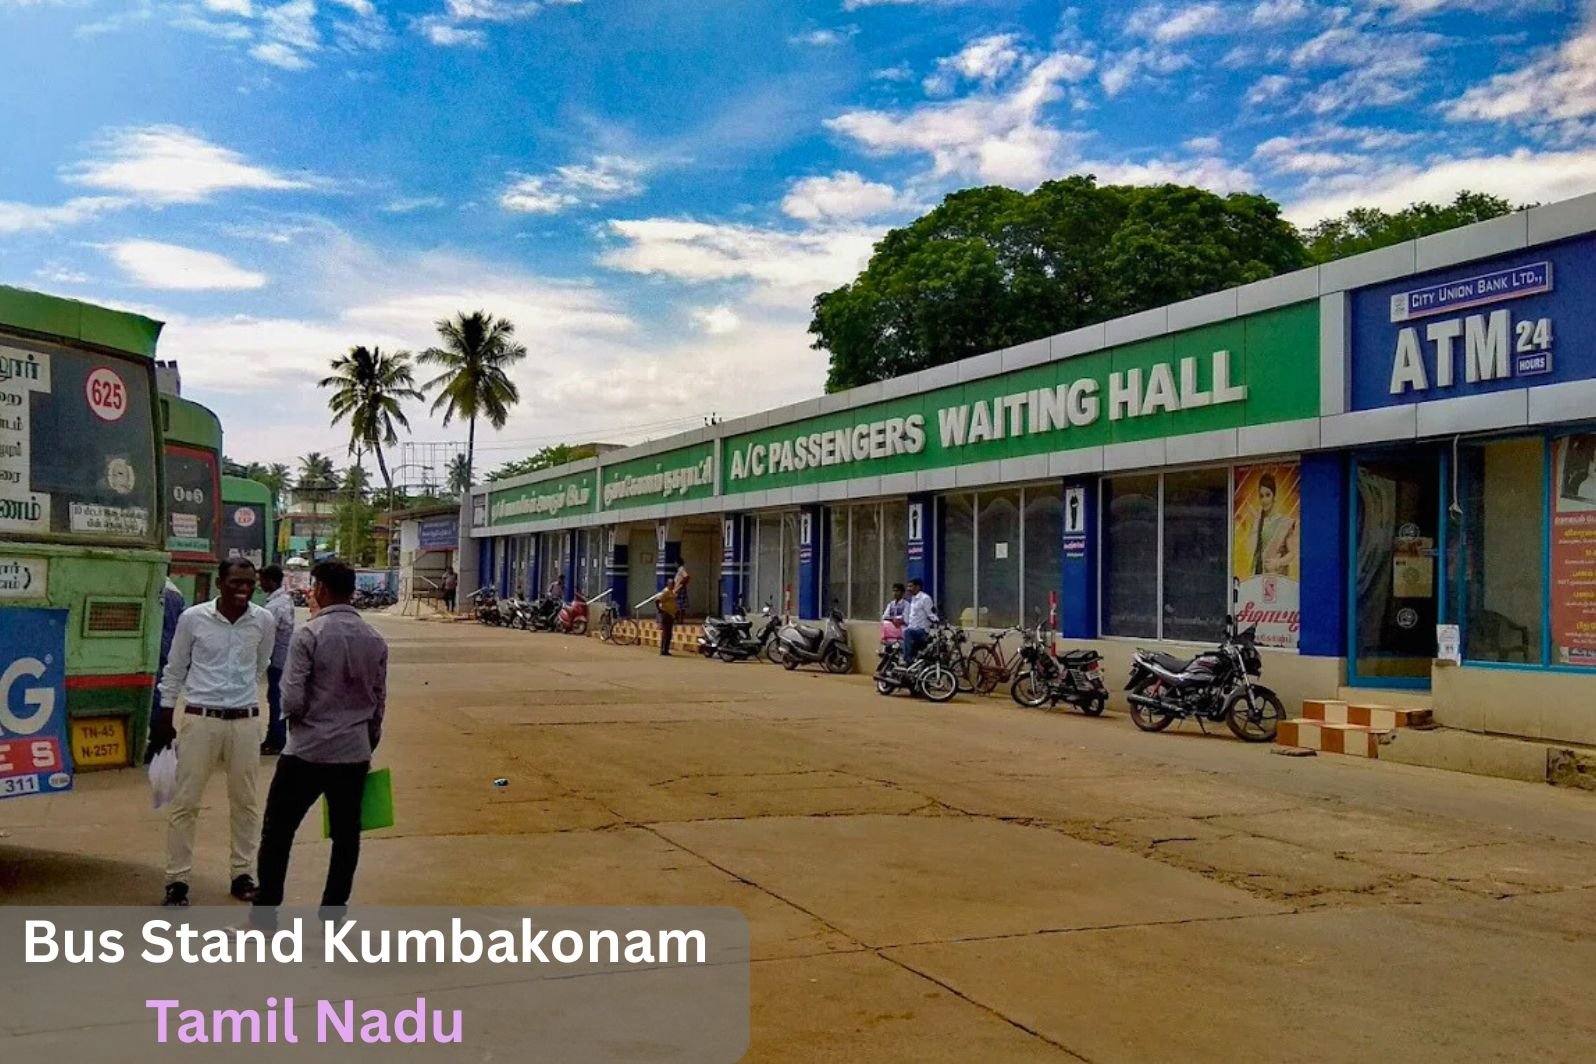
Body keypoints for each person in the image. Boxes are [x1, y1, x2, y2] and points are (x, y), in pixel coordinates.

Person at [252, 559, 388, 925]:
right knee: (346, 838)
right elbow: (378, 703)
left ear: (322, 589)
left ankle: (265, 915)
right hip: (353, 753)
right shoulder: (375, 640)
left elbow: (291, 697)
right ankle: (333, 915)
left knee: (278, 831)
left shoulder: (309, 635)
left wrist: (299, 727)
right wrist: (365, 741)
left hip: (306, 752)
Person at [158, 558, 275, 906]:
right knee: (186, 803)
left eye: (249, 583)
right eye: (236, 582)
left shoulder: (263, 621)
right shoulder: (193, 618)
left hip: (244, 722)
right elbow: (175, 667)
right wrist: (166, 715)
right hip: (200, 720)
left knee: (246, 803)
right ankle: (177, 881)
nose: (243, 589)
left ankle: (242, 874)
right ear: (219, 584)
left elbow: (260, 665)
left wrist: (239, 699)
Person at [144, 576, 187, 763]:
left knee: (157, 698)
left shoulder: (158, 590)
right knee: (162, 695)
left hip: (157, 650)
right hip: (168, 650)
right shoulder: (176, 592)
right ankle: (161, 738)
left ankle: (160, 740)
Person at [259, 565, 295, 756]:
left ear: (270, 581)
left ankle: (276, 740)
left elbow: (266, 636)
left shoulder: (274, 606)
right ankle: (274, 738)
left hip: (277, 661)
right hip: (282, 659)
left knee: (275, 700)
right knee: (276, 699)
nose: (260, 584)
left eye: (262, 580)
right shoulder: (284, 600)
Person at [1251, 473, 1299, 577]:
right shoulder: (1257, 522)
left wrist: (1278, 563)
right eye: (1261, 496)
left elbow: (1292, 553)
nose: (1264, 500)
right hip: (1258, 577)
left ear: (1274, 496)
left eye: (1268, 495)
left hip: (1278, 578)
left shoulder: (1285, 523)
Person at [902, 578, 936, 664]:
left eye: (911, 586)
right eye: (908, 586)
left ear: (918, 587)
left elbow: (930, 614)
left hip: (922, 631)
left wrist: (937, 621)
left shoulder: (925, 598)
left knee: (907, 632)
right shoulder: (913, 599)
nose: (908, 589)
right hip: (913, 629)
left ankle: (907, 659)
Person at [657, 569, 680, 657]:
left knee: (669, 633)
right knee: (666, 633)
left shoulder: (672, 592)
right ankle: (663, 650)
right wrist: (660, 610)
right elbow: (658, 600)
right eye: (671, 584)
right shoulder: (666, 592)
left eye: (673, 584)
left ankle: (666, 649)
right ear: (668, 584)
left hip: (671, 614)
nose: (673, 585)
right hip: (666, 614)